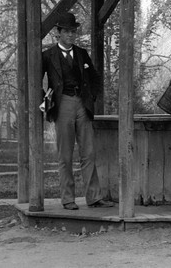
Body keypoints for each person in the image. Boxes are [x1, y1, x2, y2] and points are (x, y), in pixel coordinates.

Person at [41, 12, 113, 210]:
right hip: (62, 103)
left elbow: (96, 79)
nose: (71, 35)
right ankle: (68, 199)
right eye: (67, 32)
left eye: (73, 32)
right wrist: (45, 101)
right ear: (59, 33)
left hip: (82, 103)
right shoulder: (48, 55)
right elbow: (36, 80)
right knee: (65, 155)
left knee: (88, 152)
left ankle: (94, 197)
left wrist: (92, 97)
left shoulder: (82, 54)